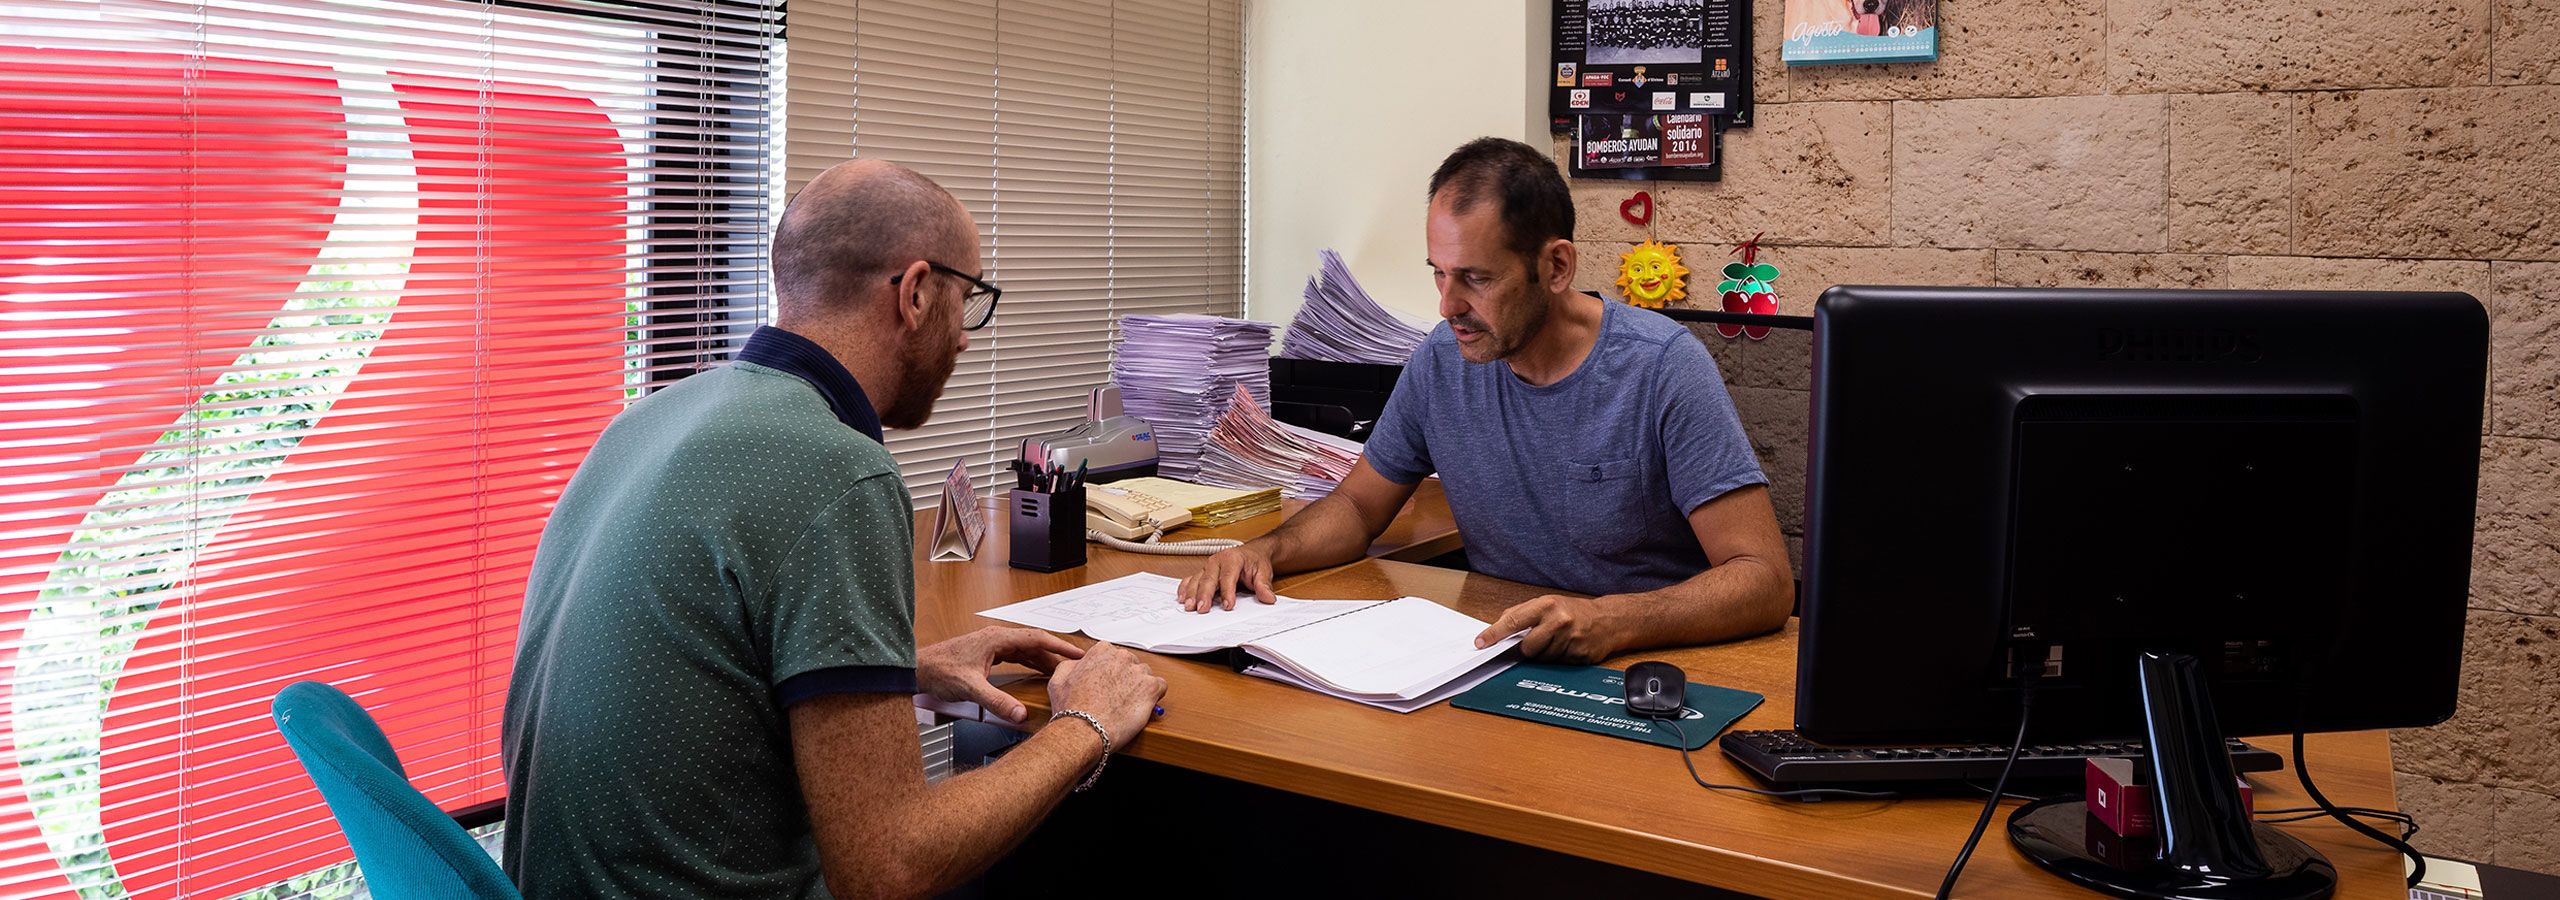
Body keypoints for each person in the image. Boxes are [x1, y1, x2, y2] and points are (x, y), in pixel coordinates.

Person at [502, 159, 1167, 899]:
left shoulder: (652, 417)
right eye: (967, 301)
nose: (967, 340)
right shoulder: (837, 471)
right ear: (915, 294)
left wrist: (906, 668)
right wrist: (1085, 724)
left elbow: (695, 674)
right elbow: (887, 869)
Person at [1176, 137, 1791, 664]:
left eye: (1476, 278)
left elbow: (1763, 581)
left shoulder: (1661, 367)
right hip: (1499, 654)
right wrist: (1265, 552)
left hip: (1646, 666)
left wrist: (1614, 620)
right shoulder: (1442, 361)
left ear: (1554, 267)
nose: (1446, 306)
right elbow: (1359, 509)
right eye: (1439, 273)